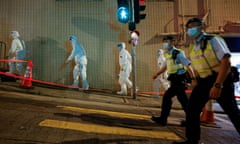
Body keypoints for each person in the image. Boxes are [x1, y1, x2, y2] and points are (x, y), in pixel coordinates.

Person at [173, 17, 240, 144]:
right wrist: (195, 80)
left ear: (201, 27)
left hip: (220, 80)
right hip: (203, 82)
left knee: (233, 112)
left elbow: (226, 61)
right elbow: (198, 64)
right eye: (189, 28)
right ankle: (192, 140)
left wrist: (218, 85)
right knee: (192, 108)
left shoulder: (213, 40)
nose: (190, 30)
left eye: (194, 26)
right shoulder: (193, 46)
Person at [151, 36, 196, 126]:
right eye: (163, 42)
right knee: (183, 100)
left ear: (172, 42)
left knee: (168, 97)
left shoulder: (178, 53)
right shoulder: (168, 54)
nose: (164, 44)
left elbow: (188, 65)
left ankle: (163, 119)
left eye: (166, 41)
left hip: (179, 79)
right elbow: (165, 67)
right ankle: (191, 121)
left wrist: (193, 79)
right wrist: (157, 74)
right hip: (174, 79)